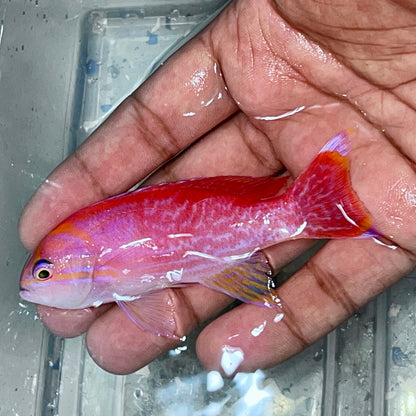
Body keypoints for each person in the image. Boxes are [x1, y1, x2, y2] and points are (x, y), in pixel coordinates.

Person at [19, 0, 415, 375]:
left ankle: (315, 209)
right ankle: (322, 211)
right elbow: (149, 296)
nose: (36, 283)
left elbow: (149, 295)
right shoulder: (102, 266)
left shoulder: (101, 261)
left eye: (44, 273)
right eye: (43, 273)